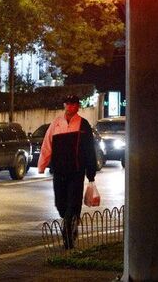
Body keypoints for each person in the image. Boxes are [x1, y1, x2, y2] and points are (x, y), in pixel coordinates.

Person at [37, 94, 97, 248]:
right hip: (59, 171)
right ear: (64, 105)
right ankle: (69, 221)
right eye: (68, 104)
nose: (71, 107)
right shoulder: (56, 124)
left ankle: (69, 230)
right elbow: (47, 145)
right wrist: (42, 165)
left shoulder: (83, 125)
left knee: (73, 202)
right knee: (60, 204)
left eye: (74, 104)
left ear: (78, 106)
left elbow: (90, 150)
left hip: (76, 171)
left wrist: (91, 173)